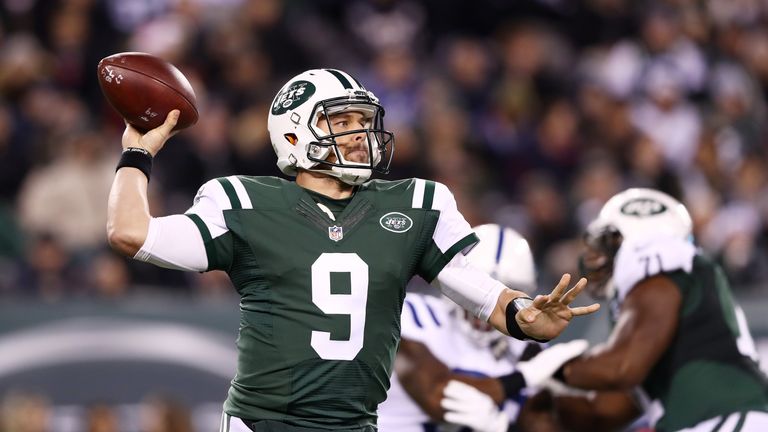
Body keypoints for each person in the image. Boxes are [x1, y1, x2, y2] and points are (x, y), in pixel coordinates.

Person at [106, 68, 599, 432]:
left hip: (357, 425)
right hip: (264, 424)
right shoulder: (245, 202)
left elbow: (482, 294)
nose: (361, 135)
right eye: (343, 122)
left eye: (363, 121)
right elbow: (132, 233)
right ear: (296, 134)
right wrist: (138, 153)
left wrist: (524, 317)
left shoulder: (416, 205)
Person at [528, 188, 768, 432]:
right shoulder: (659, 321)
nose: (599, 256)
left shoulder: (661, 262)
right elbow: (601, 413)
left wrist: (554, 369)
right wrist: (533, 397)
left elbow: (623, 367)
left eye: (611, 242)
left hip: (727, 419)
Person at [377, 223, 588, 432]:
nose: (491, 306)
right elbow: (438, 396)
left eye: (510, 295)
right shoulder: (414, 315)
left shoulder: (529, 352)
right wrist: (524, 377)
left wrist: (506, 428)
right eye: (481, 291)